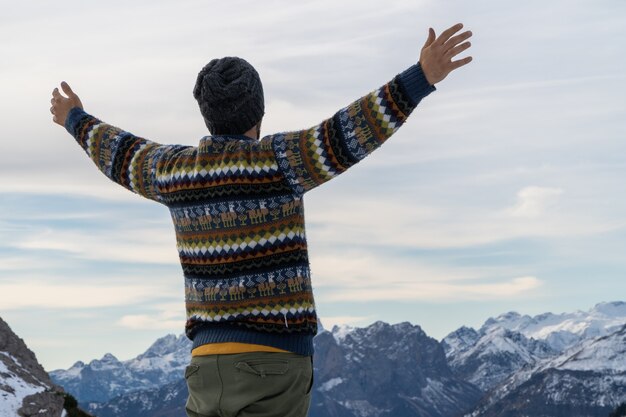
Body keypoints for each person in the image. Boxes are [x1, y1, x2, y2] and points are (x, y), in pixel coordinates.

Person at [50, 23, 472, 417]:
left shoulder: (173, 171)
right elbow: (352, 129)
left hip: (205, 367)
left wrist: (74, 118)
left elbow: (119, 152)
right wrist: (420, 77)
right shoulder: (281, 161)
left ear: (206, 113)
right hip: (274, 362)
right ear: (260, 111)